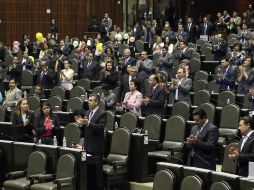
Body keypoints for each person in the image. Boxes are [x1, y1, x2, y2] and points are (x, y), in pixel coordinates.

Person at [74, 94, 106, 190]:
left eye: (91, 100)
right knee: (88, 171)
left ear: (97, 102)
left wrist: (88, 123)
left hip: (97, 146)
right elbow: (85, 130)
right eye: (88, 100)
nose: (89, 102)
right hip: (87, 145)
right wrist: (80, 125)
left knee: (97, 172)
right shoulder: (87, 112)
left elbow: (100, 128)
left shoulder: (102, 113)